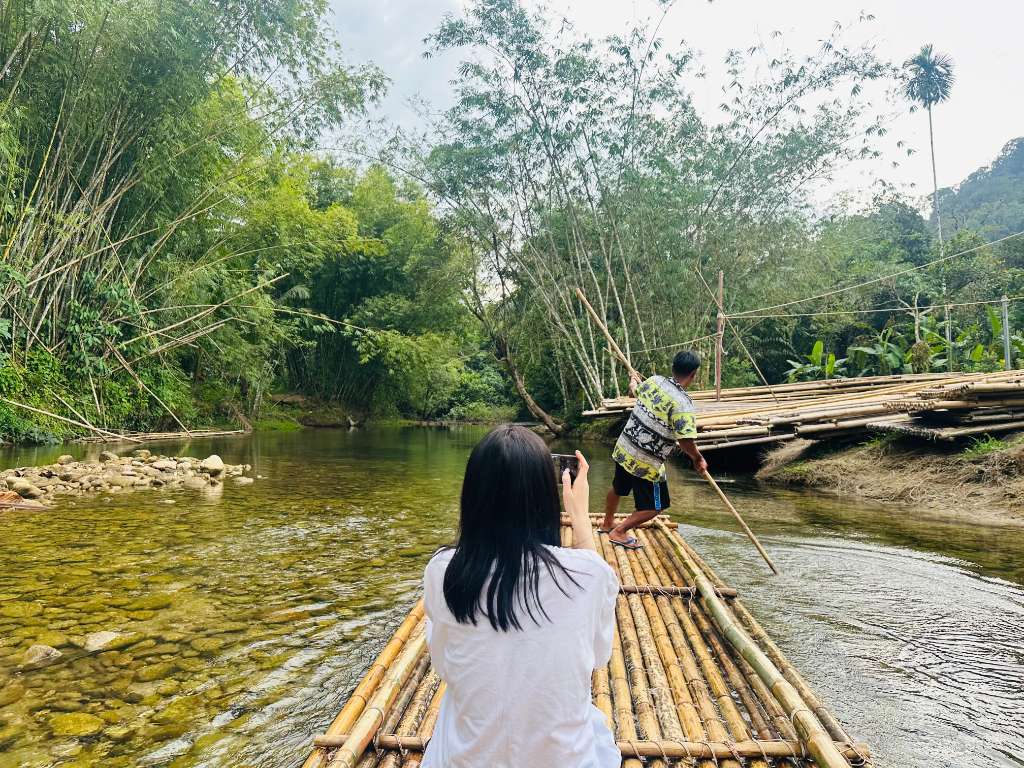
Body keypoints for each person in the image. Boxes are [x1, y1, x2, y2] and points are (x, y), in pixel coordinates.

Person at [421, 425, 619, 768]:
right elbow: (598, 657)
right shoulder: (589, 574)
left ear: (473, 496)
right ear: (544, 497)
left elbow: (443, 664)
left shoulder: (443, 570)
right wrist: (580, 518)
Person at [600, 350, 708, 549]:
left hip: (625, 448)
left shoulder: (655, 381)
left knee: (618, 487)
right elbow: (685, 440)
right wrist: (697, 458)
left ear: (673, 368)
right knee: (656, 507)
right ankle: (619, 531)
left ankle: (607, 524)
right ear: (693, 374)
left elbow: (633, 392)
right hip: (646, 462)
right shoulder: (683, 404)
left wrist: (633, 381)